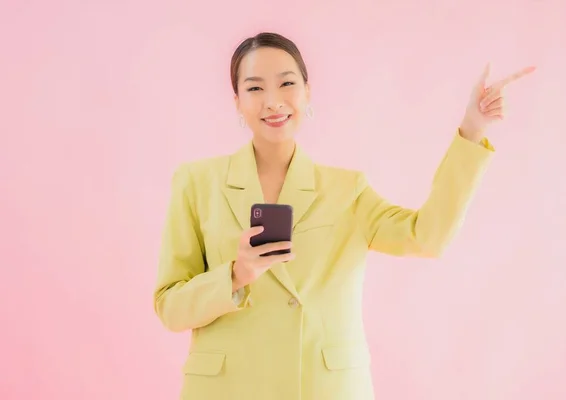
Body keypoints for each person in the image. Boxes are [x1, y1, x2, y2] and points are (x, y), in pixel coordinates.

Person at [153, 32, 535, 400]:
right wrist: (235, 275)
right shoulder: (196, 182)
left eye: (286, 84)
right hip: (227, 390)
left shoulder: (346, 190)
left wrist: (471, 130)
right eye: (254, 88)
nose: (273, 101)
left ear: (307, 91)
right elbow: (170, 308)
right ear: (236, 100)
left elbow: (426, 236)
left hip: (322, 388)